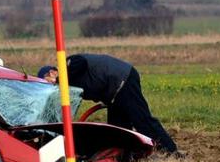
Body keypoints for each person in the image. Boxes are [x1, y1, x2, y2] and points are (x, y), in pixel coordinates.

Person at [37, 54, 178, 155]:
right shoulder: (67, 83)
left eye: (47, 80)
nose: (50, 85)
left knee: (142, 120)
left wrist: (59, 79)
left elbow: (81, 63)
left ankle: (171, 152)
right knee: (117, 129)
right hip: (113, 94)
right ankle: (126, 159)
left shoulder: (69, 63)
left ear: (52, 72)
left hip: (122, 80)